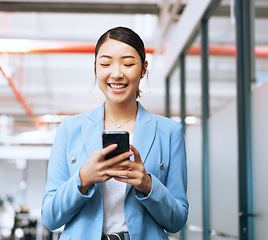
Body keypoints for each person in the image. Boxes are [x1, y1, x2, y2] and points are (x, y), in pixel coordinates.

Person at [41, 26, 188, 240]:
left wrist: (148, 184)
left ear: (143, 68)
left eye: (128, 64)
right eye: (105, 63)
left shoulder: (170, 132)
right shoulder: (69, 129)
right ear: (95, 68)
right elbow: (50, 217)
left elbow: (177, 221)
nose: (117, 73)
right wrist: (83, 179)